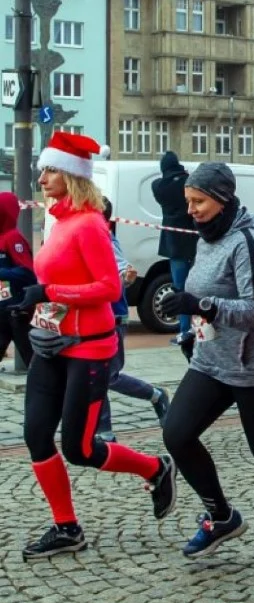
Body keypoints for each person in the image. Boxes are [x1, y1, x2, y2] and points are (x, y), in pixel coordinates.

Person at [19, 132, 175, 560]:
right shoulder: (59, 220)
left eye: (50, 169)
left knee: (80, 448)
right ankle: (67, 527)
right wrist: (35, 301)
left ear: (73, 176)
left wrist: (50, 291)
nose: (41, 176)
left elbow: (108, 287)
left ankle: (155, 467)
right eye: (43, 169)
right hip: (53, 344)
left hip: (88, 348)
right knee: (35, 435)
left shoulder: (89, 224)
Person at [157, 162, 254, 562]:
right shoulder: (207, 236)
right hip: (213, 360)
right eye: (188, 201)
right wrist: (192, 331)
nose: (191, 209)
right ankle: (221, 515)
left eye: (198, 201)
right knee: (177, 433)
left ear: (221, 200)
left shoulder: (247, 240)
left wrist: (200, 305)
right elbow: (208, 293)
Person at [94, 197, 170, 444]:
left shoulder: (104, 237)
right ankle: (102, 430)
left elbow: (120, 270)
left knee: (108, 376)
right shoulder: (93, 235)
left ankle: (156, 395)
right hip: (97, 315)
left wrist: (125, 276)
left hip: (114, 315)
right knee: (95, 374)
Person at [151, 151, 197, 343]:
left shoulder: (159, 186)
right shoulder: (188, 181)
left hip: (174, 245)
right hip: (195, 242)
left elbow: (160, 183)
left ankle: (184, 330)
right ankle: (198, 330)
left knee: (180, 288)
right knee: (197, 287)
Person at [0, 191, 35, 367]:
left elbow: (28, 273)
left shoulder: (13, 238)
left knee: (33, 362)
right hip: (3, 310)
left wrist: (3, 272)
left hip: (16, 311)